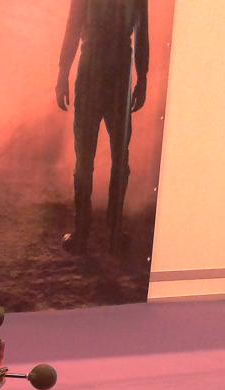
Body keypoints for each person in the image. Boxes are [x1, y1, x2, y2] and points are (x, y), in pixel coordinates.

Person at [56, 0, 149, 254]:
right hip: (117, 73)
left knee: (87, 158)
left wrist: (63, 74)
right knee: (117, 158)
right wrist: (142, 78)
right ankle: (112, 233)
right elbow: (141, 34)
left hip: (93, 71)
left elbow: (73, 27)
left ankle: (84, 232)